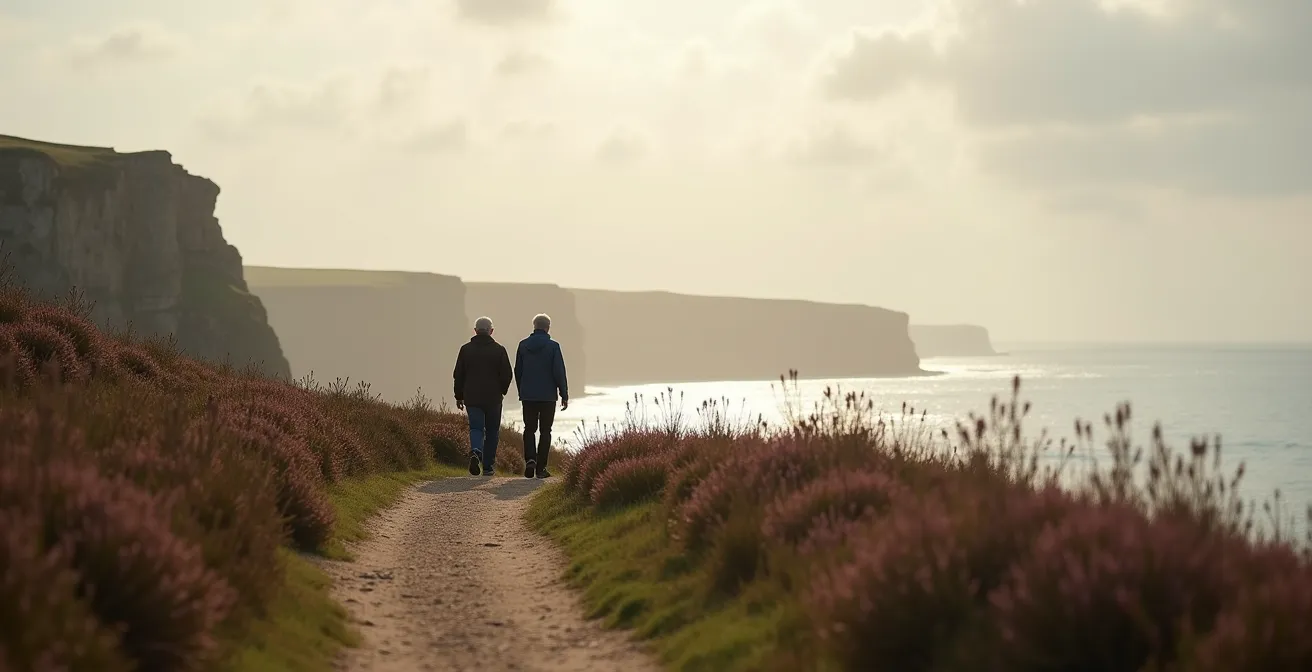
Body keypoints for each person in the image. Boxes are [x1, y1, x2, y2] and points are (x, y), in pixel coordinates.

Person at [452, 316, 513, 477]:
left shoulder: (465, 349)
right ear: (491, 331)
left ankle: (476, 451)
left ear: (475, 331)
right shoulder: (499, 350)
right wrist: (502, 390)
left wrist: (459, 395)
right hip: (493, 398)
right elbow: (507, 374)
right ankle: (487, 467)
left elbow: (458, 375)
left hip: (472, 397)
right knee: (492, 431)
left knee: (476, 428)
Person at [514, 313, 568, 479]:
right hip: (548, 397)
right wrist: (563, 394)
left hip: (528, 395)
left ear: (534, 326)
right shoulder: (553, 347)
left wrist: (521, 390)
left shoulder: (523, 345)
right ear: (547, 327)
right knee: (546, 431)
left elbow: (518, 371)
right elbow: (558, 371)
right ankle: (541, 468)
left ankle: (530, 459)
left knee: (529, 429)